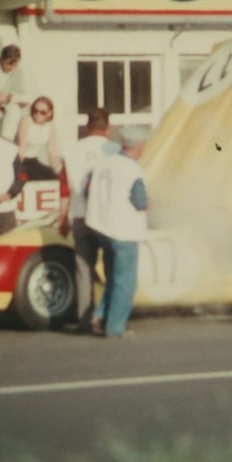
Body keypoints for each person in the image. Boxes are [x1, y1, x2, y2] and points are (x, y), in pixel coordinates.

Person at [84, 126, 150, 338]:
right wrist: (150, 203)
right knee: (125, 282)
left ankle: (100, 314)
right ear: (139, 146)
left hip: (102, 226)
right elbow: (140, 202)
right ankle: (115, 327)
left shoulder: (104, 163)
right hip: (124, 229)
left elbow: (87, 190)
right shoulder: (133, 170)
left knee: (113, 277)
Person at [58, 108, 115, 333]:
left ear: (87, 127)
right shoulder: (115, 150)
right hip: (107, 216)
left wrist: (63, 218)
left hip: (81, 215)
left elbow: (64, 188)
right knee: (112, 267)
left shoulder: (72, 151)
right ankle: (109, 317)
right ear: (108, 128)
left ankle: (84, 319)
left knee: (83, 270)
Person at [16, 96, 61, 177]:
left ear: (49, 113)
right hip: (20, 160)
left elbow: (52, 151)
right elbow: (22, 147)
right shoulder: (26, 121)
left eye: (42, 112)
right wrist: (17, 170)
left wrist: (58, 170)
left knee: (52, 177)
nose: (37, 114)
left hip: (33, 160)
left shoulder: (50, 126)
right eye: (35, 111)